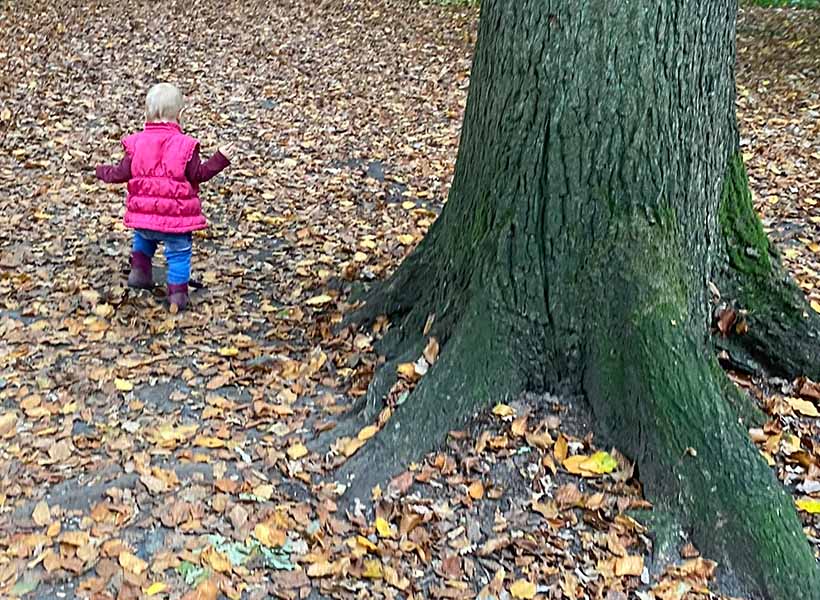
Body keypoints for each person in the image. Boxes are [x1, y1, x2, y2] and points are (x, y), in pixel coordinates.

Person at [96, 83, 234, 311]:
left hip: (144, 219)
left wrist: (100, 171)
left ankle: (140, 273)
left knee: (143, 238)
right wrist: (220, 158)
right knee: (179, 254)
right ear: (180, 116)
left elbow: (121, 173)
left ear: (146, 115)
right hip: (176, 222)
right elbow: (199, 174)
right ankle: (177, 296)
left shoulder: (136, 143)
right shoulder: (186, 146)